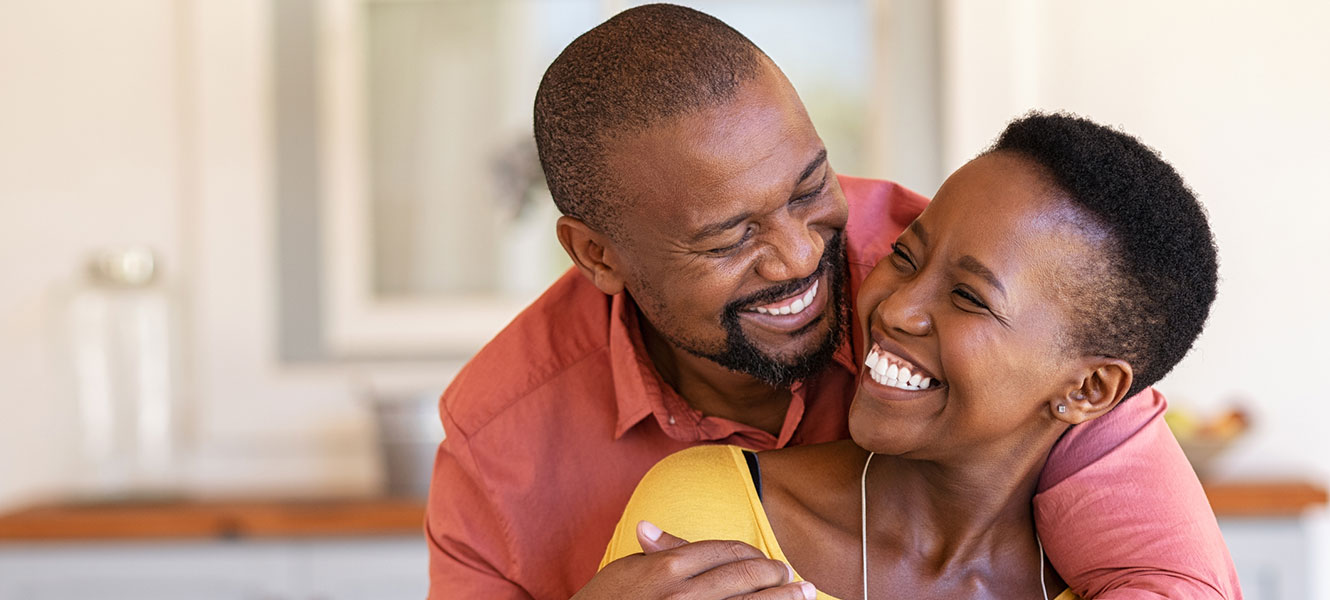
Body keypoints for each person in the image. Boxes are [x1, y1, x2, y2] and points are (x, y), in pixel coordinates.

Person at [426, 5, 1239, 599]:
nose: (800, 254)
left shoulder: (925, 258)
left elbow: (1176, 582)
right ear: (597, 255)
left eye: (810, 187)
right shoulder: (502, 442)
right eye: (728, 236)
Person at [601, 112, 1229, 600]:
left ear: (1090, 390)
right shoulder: (713, 514)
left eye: (968, 296)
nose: (897, 308)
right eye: (905, 255)